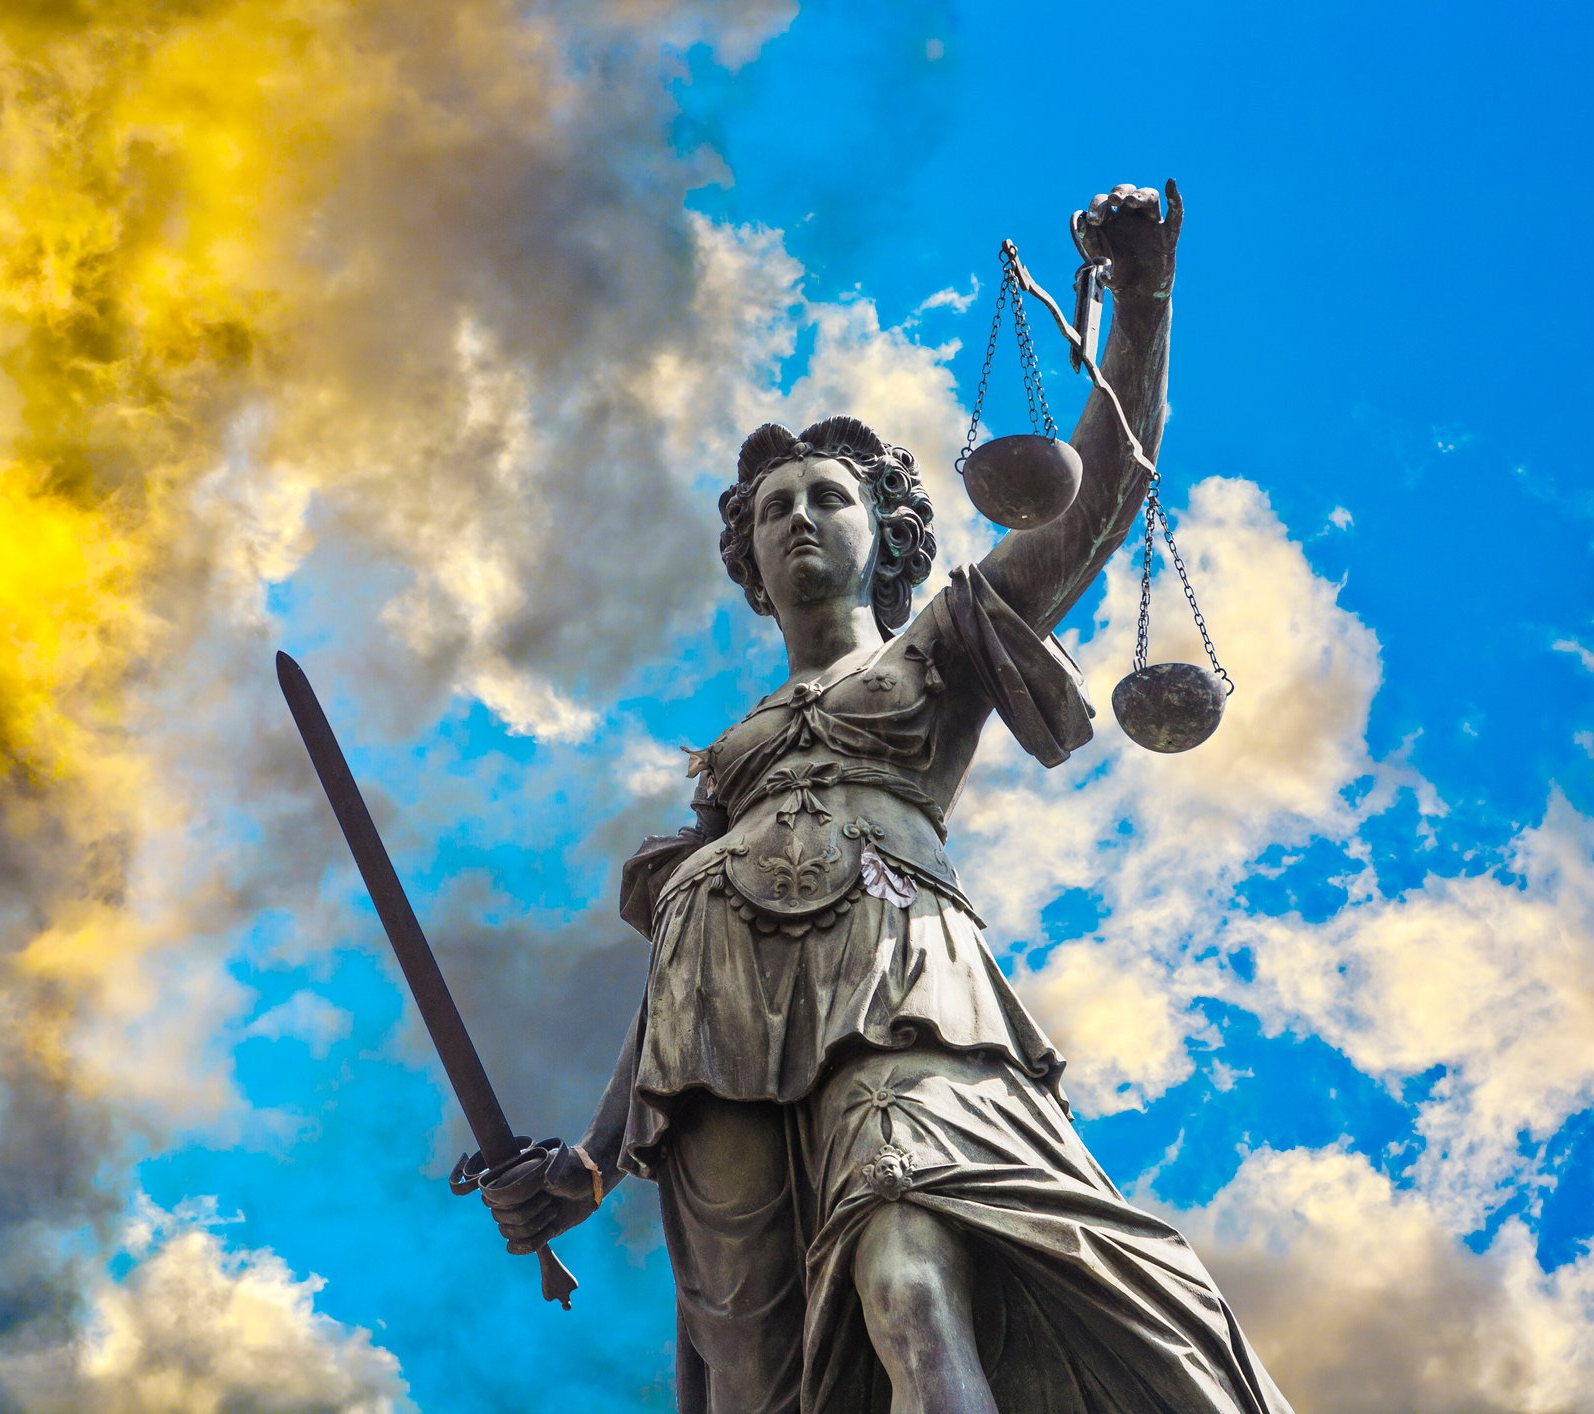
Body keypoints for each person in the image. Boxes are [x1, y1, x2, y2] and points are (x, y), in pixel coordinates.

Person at [468, 181, 1292, 1414]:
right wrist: (587, 1164)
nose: (798, 517)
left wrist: (1140, 296)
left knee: (911, 1266)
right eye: (772, 507)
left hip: (899, 982)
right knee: (762, 1372)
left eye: (828, 498)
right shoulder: (730, 760)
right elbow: (673, 969)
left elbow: (1105, 488)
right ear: (745, 554)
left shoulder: (946, 642)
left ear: (886, 531)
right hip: (715, 1027)